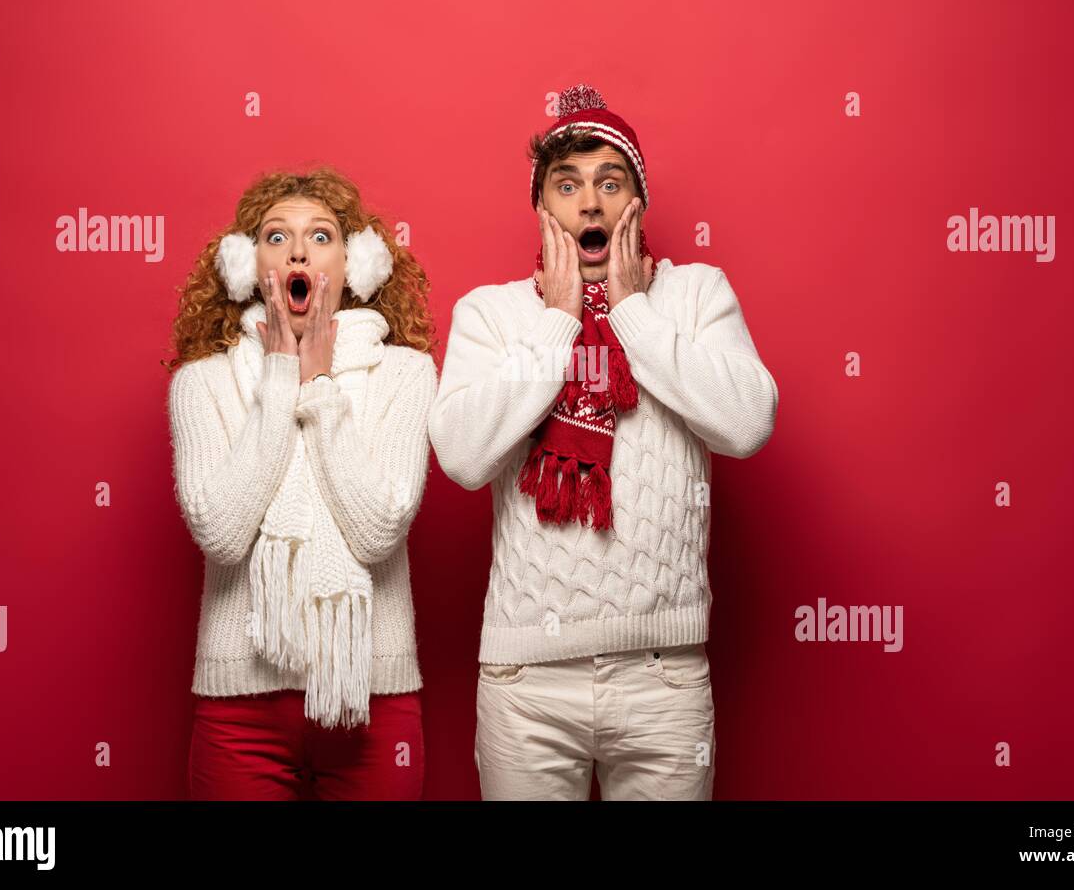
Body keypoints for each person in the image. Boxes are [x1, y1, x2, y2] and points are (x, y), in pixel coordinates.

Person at [428, 84, 779, 800]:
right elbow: (461, 457)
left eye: (609, 183)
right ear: (542, 208)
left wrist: (634, 314)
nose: (589, 203)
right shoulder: (492, 315)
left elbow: (748, 423)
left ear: (636, 203)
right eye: (567, 185)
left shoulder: (696, 295)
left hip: (663, 674)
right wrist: (558, 323)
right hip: (526, 680)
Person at [164, 168, 437, 799]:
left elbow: (378, 530)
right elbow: (222, 533)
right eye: (275, 236)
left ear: (355, 263)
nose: (297, 252)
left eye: (320, 236)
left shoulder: (406, 374)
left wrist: (320, 388)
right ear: (246, 265)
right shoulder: (200, 383)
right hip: (240, 710)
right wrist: (280, 376)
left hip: (372, 699)